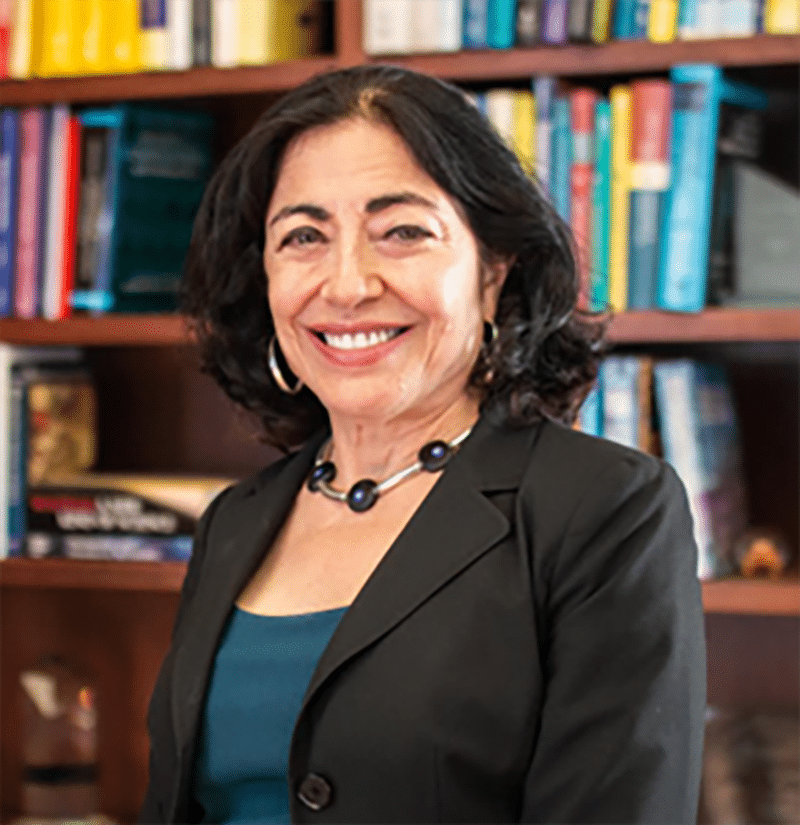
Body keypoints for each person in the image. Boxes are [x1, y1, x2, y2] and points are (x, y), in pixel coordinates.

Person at [139, 65, 706, 825]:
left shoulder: (603, 510)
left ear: (492, 271)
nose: (346, 285)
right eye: (303, 237)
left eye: (402, 231)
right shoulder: (236, 520)